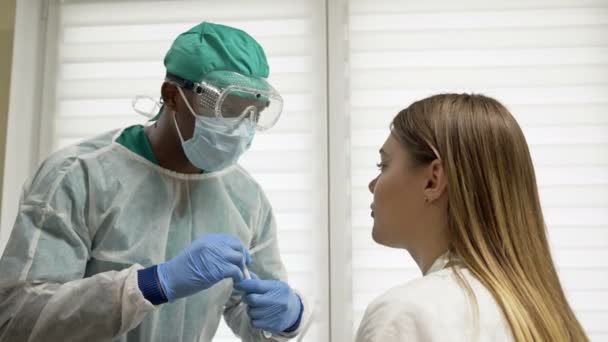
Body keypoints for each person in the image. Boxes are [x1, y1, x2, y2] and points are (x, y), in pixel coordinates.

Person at [0, 22, 310, 342]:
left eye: (254, 113)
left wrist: (289, 318)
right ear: (171, 95)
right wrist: (153, 284)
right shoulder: (79, 177)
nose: (241, 128)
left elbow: (255, 316)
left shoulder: (246, 199)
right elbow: (17, 319)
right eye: (227, 108)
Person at [355, 94, 588, 341]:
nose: (373, 185)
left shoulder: (404, 317)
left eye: (384, 165)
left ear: (433, 180)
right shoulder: (549, 319)